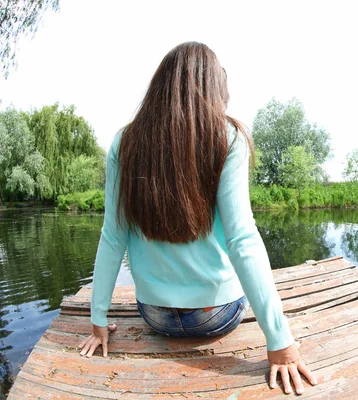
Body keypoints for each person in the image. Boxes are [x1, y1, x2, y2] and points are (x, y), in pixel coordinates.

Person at [77, 42, 316, 395]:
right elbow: (242, 239)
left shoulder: (124, 142)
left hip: (155, 315)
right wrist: (280, 340)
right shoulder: (228, 136)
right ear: (213, 90)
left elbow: (113, 237)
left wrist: (98, 321)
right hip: (215, 313)